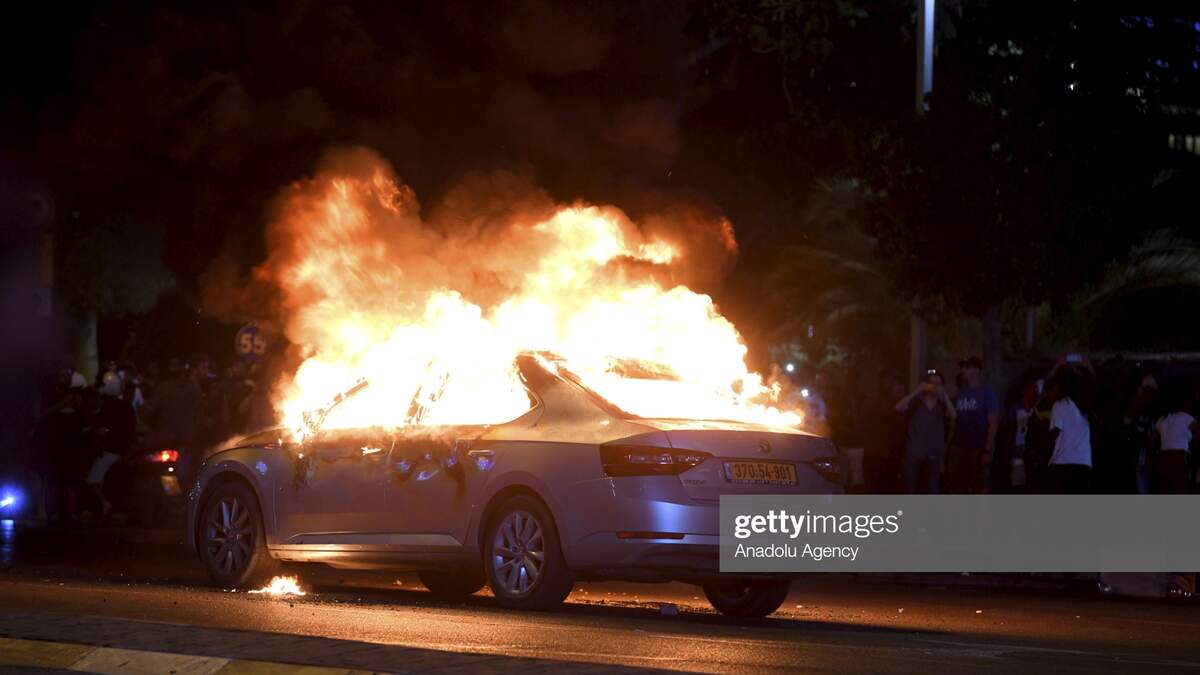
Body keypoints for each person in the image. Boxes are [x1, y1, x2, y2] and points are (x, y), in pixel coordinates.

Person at [895, 370, 956, 494]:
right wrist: (917, 391)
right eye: (931, 383)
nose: (934, 386)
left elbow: (954, 415)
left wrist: (945, 395)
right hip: (914, 453)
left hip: (934, 454)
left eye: (938, 384)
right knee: (910, 489)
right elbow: (898, 407)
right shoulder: (916, 402)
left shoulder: (942, 405)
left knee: (933, 489)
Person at [947, 356, 999, 494]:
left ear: (975, 370)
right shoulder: (960, 392)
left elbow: (993, 423)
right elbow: (953, 418)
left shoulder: (986, 392)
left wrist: (987, 450)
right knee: (956, 486)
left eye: (966, 368)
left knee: (978, 486)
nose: (962, 371)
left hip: (977, 448)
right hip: (958, 447)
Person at [1046, 372, 1092, 493]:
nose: (1050, 395)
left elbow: (1055, 432)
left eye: (1052, 390)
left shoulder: (1059, 405)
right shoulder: (1084, 409)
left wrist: (1037, 447)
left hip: (1063, 465)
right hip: (1084, 465)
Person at [1149, 386, 1197, 494]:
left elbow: (1151, 439)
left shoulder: (1162, 419)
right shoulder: (1186, 418)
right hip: (1178, 460)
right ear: (1184, 403)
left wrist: (1153, 457)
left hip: (1162, 460)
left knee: (1165, 491)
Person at [864, 374, 907, 493]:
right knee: (879, 490)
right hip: (878, 456)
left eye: (902, 385)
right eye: (897, 385)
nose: (901, 388)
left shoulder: (899, 404)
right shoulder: (878, 403)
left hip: (892, 455)